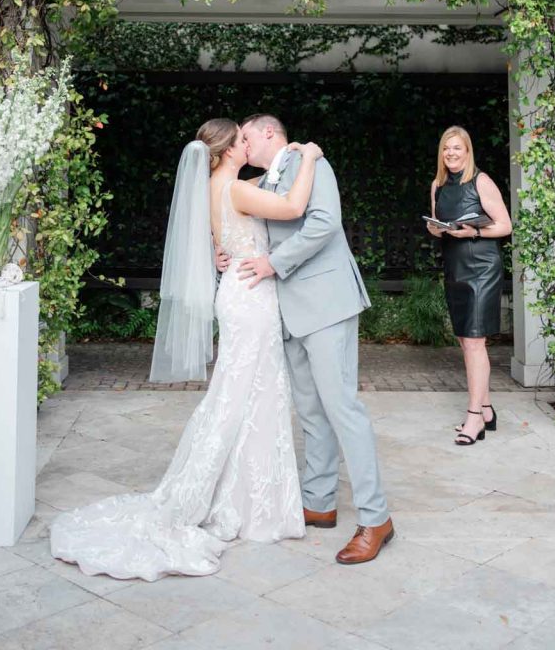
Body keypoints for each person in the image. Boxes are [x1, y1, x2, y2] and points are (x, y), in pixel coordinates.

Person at [50, 118, 323, 582]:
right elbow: (294, 205)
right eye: (240, 139)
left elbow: (242, 216)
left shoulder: (216, 188)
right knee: (246, 396)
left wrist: (281, 163)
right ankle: (245, 501)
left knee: (246, 395)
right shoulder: (235, 191)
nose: (246, 142)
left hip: (236, 291)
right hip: (251, 299)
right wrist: (311, 157)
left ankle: (244, 495)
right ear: (224, 152)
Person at [237, 113, 394, 566]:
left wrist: (273, 262)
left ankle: (376, 519)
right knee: (310, 411)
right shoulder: (263, 182)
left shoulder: (312, 163)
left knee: (342, 409)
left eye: (246, 137)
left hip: (326, 303)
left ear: (269, 132)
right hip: (288, 312)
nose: (241, 145)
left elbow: (324, 223)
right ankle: (319, 502)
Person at [426, 125, 512, 446]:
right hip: (455, 268)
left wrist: (472, 232)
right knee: (466, 341)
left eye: (457, 148)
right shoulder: (437, 185)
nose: (451, 153)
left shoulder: (481, 181)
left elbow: (505, 225)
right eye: (446, 148)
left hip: (482, 268)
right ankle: (487, 409)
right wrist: (438, 229)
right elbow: (439, 225)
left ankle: (474, 417)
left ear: (467, 151)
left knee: (475, 342)